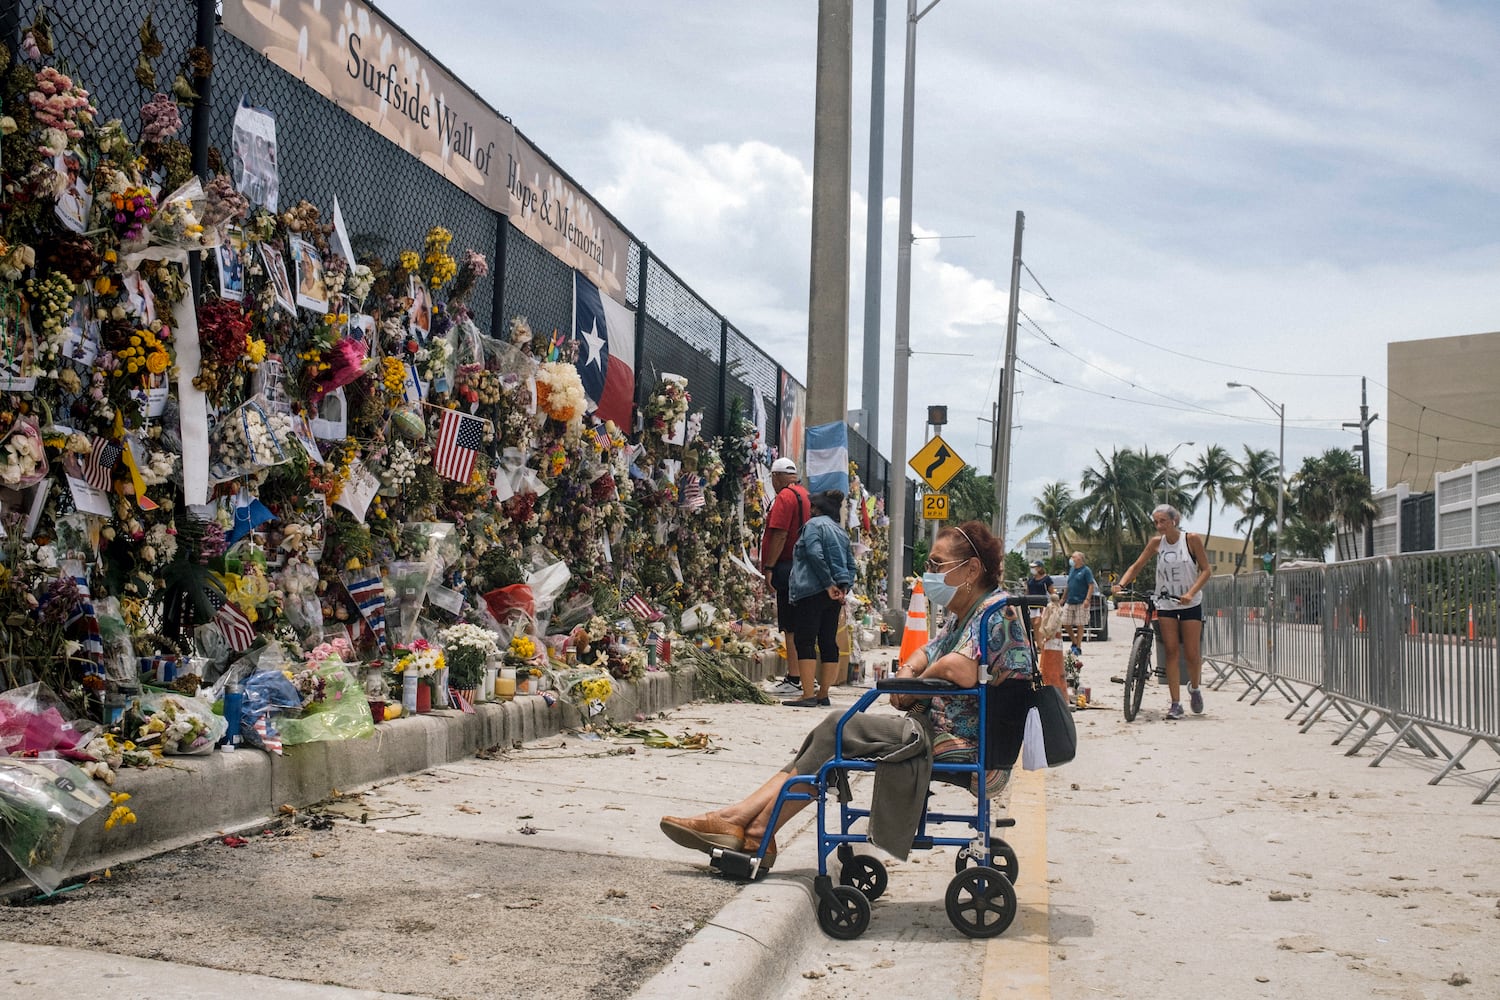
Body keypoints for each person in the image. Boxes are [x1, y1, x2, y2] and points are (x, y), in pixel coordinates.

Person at [661, 520, 1035, 870]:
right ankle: (746, 824)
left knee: (837, 729)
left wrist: (913, 685)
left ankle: (747, 825)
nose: (930, 572)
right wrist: (909, 671)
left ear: (970, 570)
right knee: (828, 736)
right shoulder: (965, 612)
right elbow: (931, 650)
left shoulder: (993, 613)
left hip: (956, 741)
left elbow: (959, 668)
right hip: (937, 728)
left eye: (937, 564)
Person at [1114, 504, 1212, 719]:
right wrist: (1121, 584)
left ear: (1174, 521)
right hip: (1165, 602)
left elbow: (1206, 570)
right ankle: (1175, 703)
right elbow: (1136, 566)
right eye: (1156, 522)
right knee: (1170, 652)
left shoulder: (1191, 539)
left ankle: (1194, 689)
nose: (1159, 526)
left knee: (1192, 653)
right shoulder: (1156, 543)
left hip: (1189, 603)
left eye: (1163, 521)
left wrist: (1190, 592)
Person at [783, 490, 855, 708]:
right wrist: (843, 588)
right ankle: (823, 694)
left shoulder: (813, 526)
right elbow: (851, 565)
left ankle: (807, 694)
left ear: (815, 509)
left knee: (804, 640)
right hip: (835, 595)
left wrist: (827, 584)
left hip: (812, 590)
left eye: (811, 507)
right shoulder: (841, 532)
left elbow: (814, 554)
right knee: (827, 640)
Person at [760, 456, 811, 696]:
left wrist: (769, 567)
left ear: (778, 476)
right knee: (803, 624)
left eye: (773, 477)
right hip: (804, 566)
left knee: (789, 626)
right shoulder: (805, 495)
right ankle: (805, 677)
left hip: (786, 566)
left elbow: (779, 534)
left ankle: (794, 678)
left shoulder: (785, 497)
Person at [1061, 551, 1096, 655]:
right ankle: (1074, 641)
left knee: (1080, 624)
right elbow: (1068, 585)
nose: (1071, 559)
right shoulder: (1072, 570)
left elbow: (1091, 585)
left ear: (1079, 559)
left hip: (1081, 601)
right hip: (1070, 600)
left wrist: (1087, 599)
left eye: (1073, 557)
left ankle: (1078, 646)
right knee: (1065, 622)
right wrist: (1063, 598)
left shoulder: (1086, 570)